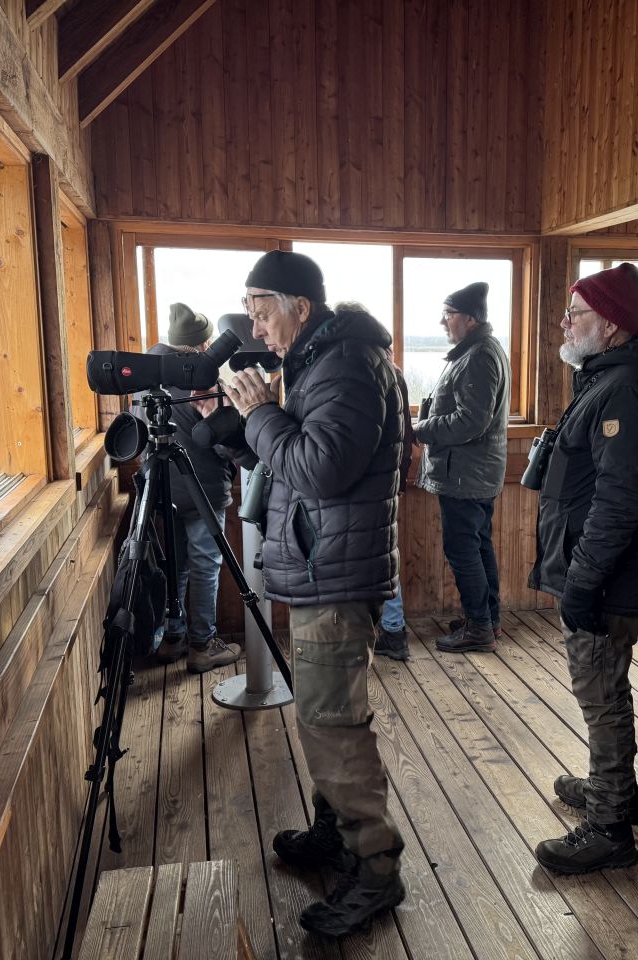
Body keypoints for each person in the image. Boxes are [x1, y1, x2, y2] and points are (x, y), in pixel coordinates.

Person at [219, 251, 406, 937]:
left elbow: (322, 468)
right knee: (324, 715)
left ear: (299, 307)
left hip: (335, 575)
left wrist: (261, 414)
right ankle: (335, 831)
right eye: (250, 315)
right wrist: (244, 424)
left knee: (333, 723)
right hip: (323, 565)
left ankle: (375, 869)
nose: (256, 329)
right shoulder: (318, 360)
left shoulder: (347, 365)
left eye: (262, 313)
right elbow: (292, 458)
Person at [528, 263, 638, 874]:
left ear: (613, 326)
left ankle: (611, 826)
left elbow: (619, 500)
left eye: (576, 314)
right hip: (593, 571)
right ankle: (611, 789)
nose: (564, 324)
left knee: (602, 695)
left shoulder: (622, 388)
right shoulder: (606, 379)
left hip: (603, 579)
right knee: (600, 688)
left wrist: (584, 580)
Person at [136, 303, 243, 674]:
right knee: (206, 565)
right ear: (202, 345)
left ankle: (172, 636)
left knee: (176, 565)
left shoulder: (146, 377)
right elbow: (224, 441)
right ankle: (202, 644)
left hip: (162, 490)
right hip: (203, 490)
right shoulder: (202, 380)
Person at [413, 282, 510, 654]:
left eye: (448, 314)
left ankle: (480, 628)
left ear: (470, 319)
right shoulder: (478, 350)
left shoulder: (478, 356)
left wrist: (420, 429)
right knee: (478, 546)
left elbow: (470, 421)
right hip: (473, 473)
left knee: (464, 550)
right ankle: (486, 619)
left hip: (465, 476)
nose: (443, 322)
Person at [375, 353, 416, 661]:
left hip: (371, 483)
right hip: (390, 478)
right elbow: (406, 432)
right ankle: (392, 628)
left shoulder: (373, 374)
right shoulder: (395, 374)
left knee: (380, 556)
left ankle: (393, 629)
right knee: (384, 554)